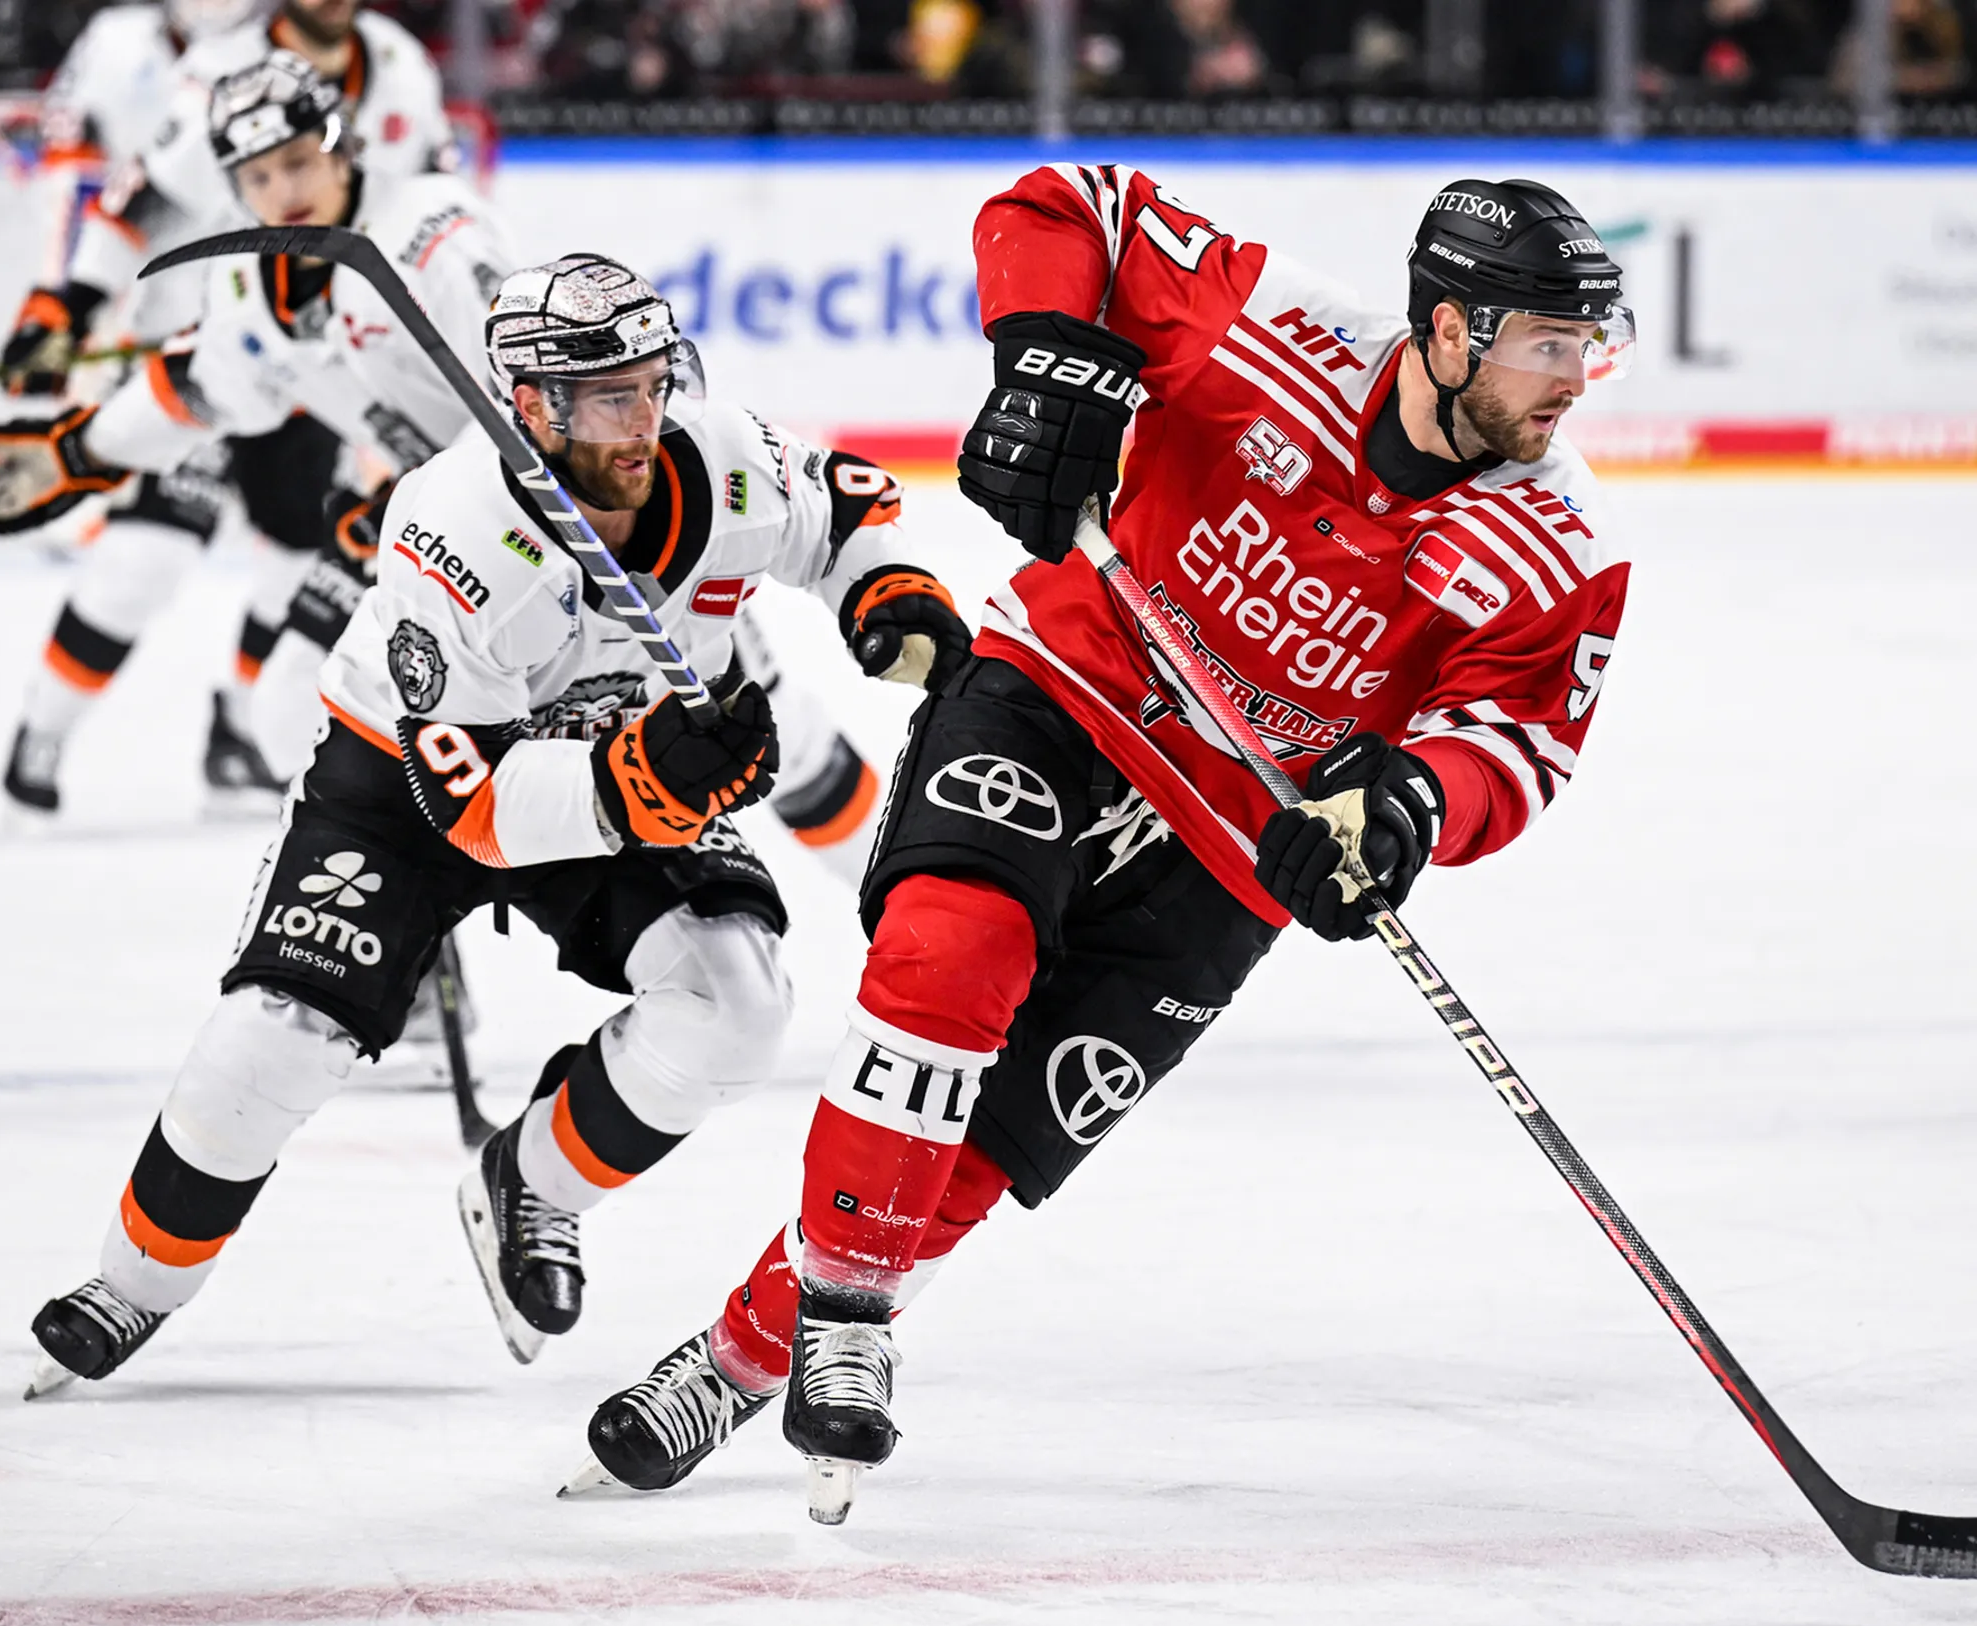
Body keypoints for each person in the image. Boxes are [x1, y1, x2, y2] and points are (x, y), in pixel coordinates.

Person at [569, 165, 1635, 1522]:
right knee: (952, 958)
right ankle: (847, 1311)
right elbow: (1069, 206)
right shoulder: (1275, 326)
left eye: (1588, 343)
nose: (1576, 378)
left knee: (986, 1148)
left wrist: (1407, 805)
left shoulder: (1560, 540)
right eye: (1549, 342)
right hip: (1065, 691)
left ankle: (738, 1358)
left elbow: (1517, 742)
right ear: (1447, 328)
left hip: (1238, 837)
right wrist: (1045, 359)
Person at [0, 227, 971, 1394]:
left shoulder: (721, 459)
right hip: (408, 783)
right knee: (268, 1043)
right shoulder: (452, 526)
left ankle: (531, 1183)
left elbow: (843, 506)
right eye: (607, 398)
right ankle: (136, 1281)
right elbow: (476, 808)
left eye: (653, 385)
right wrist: (643, 783)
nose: (643, 422)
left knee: (737, 1004)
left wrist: (888, 592)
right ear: (533, 407)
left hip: (609, 757)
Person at [0, 0, 455, 814]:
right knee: (147, 557)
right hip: (210, 344)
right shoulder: (220, 74)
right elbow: (141, 197)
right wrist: (69, 303)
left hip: (318, 362)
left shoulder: (402, 67)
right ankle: (43, 734)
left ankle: (241, 732)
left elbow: (432, 204)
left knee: (296, 558)